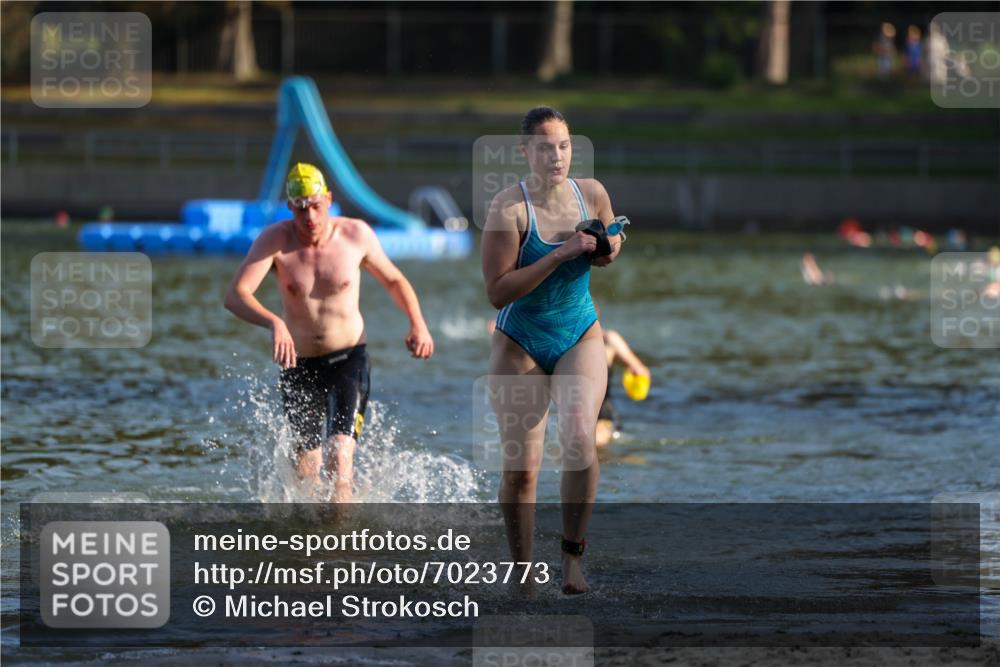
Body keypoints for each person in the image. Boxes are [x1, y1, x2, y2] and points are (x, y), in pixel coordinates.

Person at [224, 163, 434, 503]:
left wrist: (418, 323)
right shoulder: (276, 241)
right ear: (290, 207)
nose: (310, 218)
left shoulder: (355, 235)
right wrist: (275, 322)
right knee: (306, 473)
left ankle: (341, 548)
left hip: (348, 358)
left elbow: (394, 280)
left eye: (317, 206)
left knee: (340, 456)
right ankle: (311, 545)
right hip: (299, 365)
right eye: (301, 209)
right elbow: (236, 295)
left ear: (329, 200)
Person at [482, 107, 622, 594]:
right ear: (525, 153)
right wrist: (561, 251)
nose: (556, 155)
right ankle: (522, 575)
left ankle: (571, 561)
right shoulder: (508, 209)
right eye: (545, 147)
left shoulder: (593, 192)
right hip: (520, 339)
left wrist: (607, 244)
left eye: (563, 145)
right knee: (522, 471)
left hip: (578, 331)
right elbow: (498, 292)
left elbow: (612, 241)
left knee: (582, 441)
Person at [596, 327, 650, 448]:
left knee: (591, 444)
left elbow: (641, 371)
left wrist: (634, 383)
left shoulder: (608, 339)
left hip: (603, 417)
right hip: (575, 415)